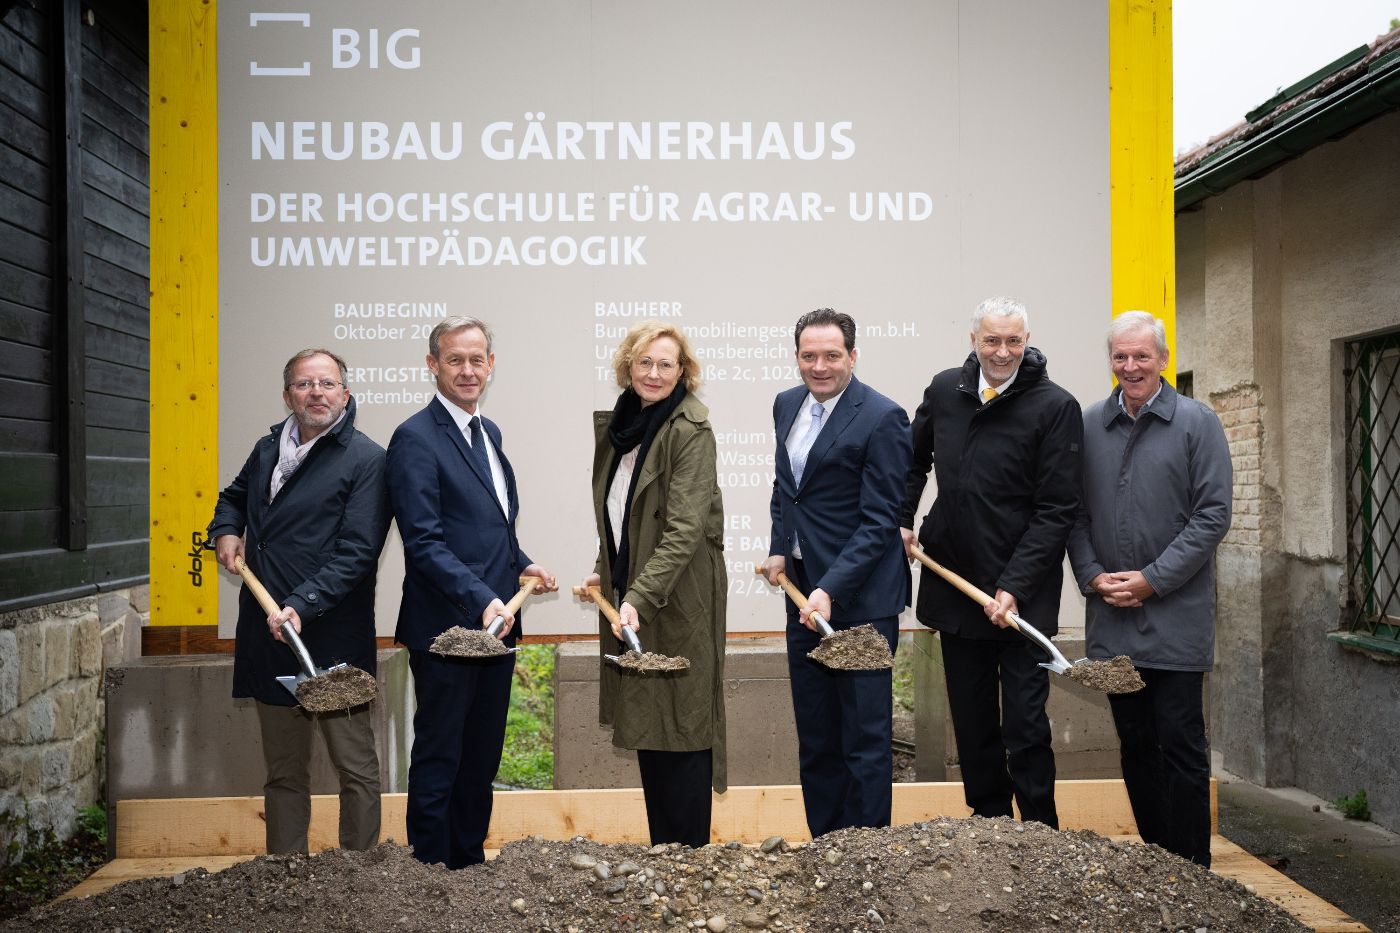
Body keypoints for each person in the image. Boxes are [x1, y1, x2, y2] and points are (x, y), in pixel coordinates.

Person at [899, 296, 1081, 829]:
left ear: (1027, 341)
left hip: (1022, 595)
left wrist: (1016, 585)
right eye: (992, 340)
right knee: (973, 722)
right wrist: (905, 517)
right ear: (973, 340)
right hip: (956, 584)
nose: (1003, 352)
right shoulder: (944, 390)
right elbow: (913, 461)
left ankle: (1041, 834)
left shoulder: (1054, 406)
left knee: (1026, 725)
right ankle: (991, 827)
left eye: (1014, 341)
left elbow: (1057, 509)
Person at [386, 317, 558, 868]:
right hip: (446, 628)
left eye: (477, 359)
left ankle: (469, 863)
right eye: (455, 360)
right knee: (442, 753)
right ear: (433, 365)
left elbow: (491, 529)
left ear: (491, 364)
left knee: (481, 754)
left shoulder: (489, 433)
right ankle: (430, 871)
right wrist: (483, 595)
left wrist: (525, 566)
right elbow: (424, 541)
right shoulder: (414, 438)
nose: (468, 370)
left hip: (496, 624)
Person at [208, 348, 390, 855]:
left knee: (355, 767)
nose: (317, 393)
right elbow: (233, 496)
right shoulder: (269, 448)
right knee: (284, 771)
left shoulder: (367, 459)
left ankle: (359, 871)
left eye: (328, 384)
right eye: (305, 385)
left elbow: (358, 553)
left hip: (330, 637)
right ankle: (286, 875)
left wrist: (302, 604)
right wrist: (226, 530)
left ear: (346, 394)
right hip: (269, 634)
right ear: (288, 395)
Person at [1067, 311, 1231, 867]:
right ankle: (1158, 863)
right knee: (1135, 744)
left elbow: (1212, 516)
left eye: (1142, 356)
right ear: (1110, 361)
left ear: (1162, 359)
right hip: (1112, 619)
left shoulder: (1197, 423)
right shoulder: (1089, 424)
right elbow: (1074, 514)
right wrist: (1091, 575)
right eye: (1121, 356)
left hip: (1176, 618)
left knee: (1181, 744)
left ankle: (1193, 870)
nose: (1131, 367)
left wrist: (1152, 580)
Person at [759, 308, 911, 837]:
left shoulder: (883, 417)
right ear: (796, 356)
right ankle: (826, 847)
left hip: (861, 600)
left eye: (831, 355)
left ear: (853, 355)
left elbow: (879, 522)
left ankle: (864, 857)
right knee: (818, 734)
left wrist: (828, 588)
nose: (818, 366)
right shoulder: (786, 404)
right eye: (808, 356)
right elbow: (787, 489)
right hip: (803, 595)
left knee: (865, 738)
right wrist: (781, 549)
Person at [578, 321, 727, 849]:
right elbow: (618, 517)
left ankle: (687, 859)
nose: (655, 373)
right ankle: (663, 854)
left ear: (683, 372)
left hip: (678, 596)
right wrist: (607, 568)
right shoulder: (622, 427)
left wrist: (637, 596)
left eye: (667, 364)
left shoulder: (690, 429)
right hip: (636, 590)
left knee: (682, 723)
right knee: (648, 719)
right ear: (628, 366)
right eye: (645, 362)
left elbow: (684, 529)